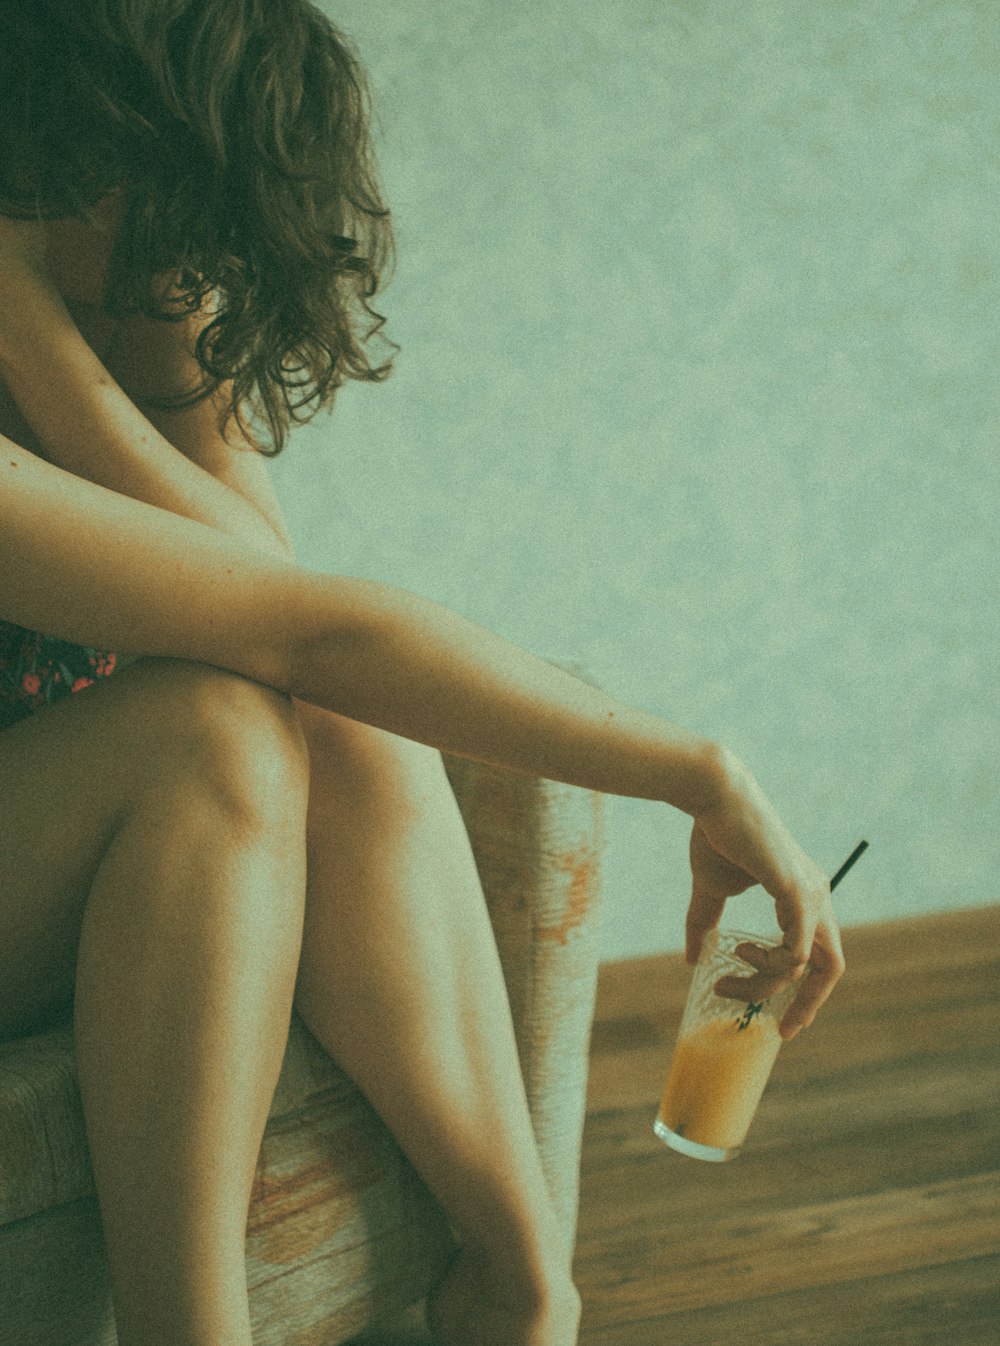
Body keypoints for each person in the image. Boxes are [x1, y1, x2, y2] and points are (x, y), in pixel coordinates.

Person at [0, 3, 845, 1345]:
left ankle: (520, 1281)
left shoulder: (145, 305)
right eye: (164, 219)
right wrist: (693, 768)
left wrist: (88, 361)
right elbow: (301, 628)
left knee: (319, 714)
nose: (195, 275)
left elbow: (278, 608)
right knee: (216, 735)